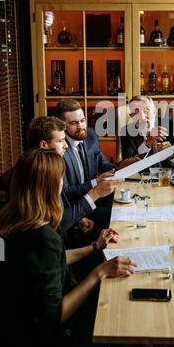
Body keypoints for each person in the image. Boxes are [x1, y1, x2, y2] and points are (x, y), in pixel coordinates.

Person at [0, 149, 136, 346]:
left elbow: (49, 261)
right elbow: (53, 316)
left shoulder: (9, 219)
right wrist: (100, 272)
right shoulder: (44, 237)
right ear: (50, 187)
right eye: (61, 178)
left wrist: (95, 247)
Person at [26, 116, 113, 239]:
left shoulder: (47, 165)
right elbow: (55, 226)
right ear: (44, 144)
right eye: (61, 141)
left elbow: (61, 206)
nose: (66, 146)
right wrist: (96, 192)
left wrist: (79, 219)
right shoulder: (38, 172)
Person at [54, 99, 115, 241]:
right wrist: (96, 183)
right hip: (74, 208)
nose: (81, 126)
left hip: (95, 201)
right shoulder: (59, 150)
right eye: (74, 123)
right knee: (114, 216)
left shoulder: (91, 135)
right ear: (62, 125)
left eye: (82, 120)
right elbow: (66, 193)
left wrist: (120, 171)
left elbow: (102, 162)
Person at [120, 95, 174, 171]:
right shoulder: (126, 131)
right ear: (131, 116)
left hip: (168, 177)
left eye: (146, 111)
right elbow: (126, 167)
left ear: (154, 112)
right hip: (141, 178)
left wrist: (172, 154)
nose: (142, 117)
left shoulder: (171, 126)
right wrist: (146, 144)